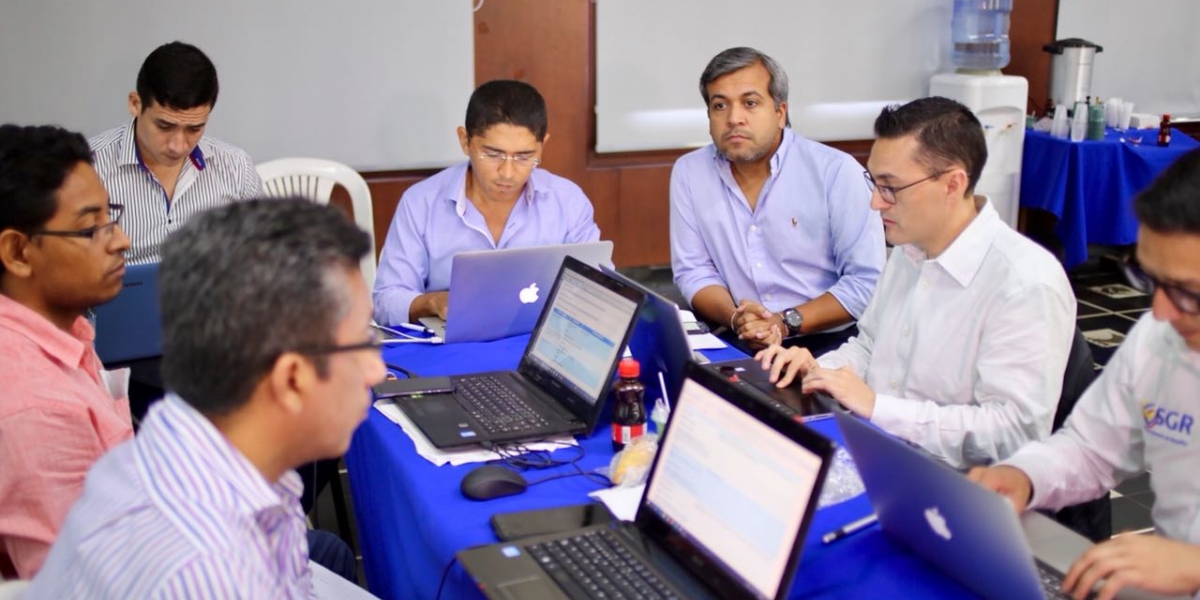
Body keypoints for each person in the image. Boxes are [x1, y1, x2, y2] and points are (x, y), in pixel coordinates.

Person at [27, 199, 382, 597]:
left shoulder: (210, 444)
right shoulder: (209, 573)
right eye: (363, 343)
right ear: (292, 378)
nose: (378, 371)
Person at [757, 97, 1075, 469]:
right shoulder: (909, 252)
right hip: (878, 451)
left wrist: (879, 408)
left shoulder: (1025, 283)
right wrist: (820, 371)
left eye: (890, 188)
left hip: (957, 486)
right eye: (873, 183)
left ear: (952, 185)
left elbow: (1012, 432)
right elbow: (870, 346)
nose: (875, 203)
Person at [970, 148, 1200, 600]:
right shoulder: (1159, 338)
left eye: (1187, 292)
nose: (1159, 310)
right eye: (1150, 279)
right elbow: (1092, 449)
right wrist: (1024, 476)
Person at [669, 47, 885, 353]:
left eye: (750, 103)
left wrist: (783, 323)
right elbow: (694, 271)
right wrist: (736, 318)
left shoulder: (836, 172)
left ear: (780, 112)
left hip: (830, 342)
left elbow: (867, 282)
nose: (734, 118)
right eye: (720, 106)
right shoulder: (690, 173)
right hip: (740, 335)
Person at [0, 124, 133, 578]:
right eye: (90, 229)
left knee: (322, 548)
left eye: (110, 217)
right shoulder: (37, 408)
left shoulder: (62, 327)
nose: (120, 241)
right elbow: (96, 583)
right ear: (18, 252)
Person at [372, 79, 600, 325]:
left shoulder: (568, 202)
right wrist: (434, 302)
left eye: (525, 157)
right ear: (465, 141)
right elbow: (386, 301)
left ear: (542, 146)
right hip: (448, 345)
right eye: (492, 154)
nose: (508, 172)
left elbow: (599, 291)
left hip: (537, 341)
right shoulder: (421, 203)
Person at [89, 41, 262, 266]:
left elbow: (262, 257)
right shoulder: (90, 167)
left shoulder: (236, 167)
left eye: (194, 129)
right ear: (135, 104)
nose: (178, 146)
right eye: (164, 126)